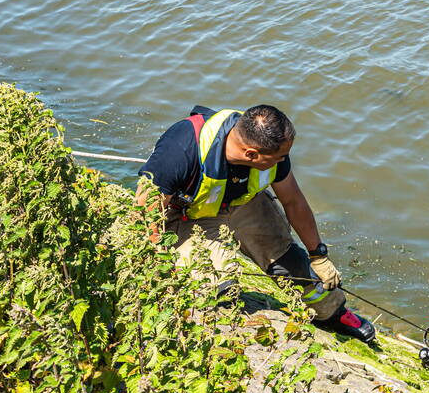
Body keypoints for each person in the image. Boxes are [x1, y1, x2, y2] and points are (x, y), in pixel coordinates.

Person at [136, 104, 376, 343]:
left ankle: (332, 313)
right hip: (189, 215)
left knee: (290, 261)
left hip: (241, 202)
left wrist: (318, 254)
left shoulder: (270, 147)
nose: (284, 160)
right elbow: (146, 214)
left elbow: (293, 201)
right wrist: (161, 263)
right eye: (279, 157)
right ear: (251, 154)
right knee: (216, 287)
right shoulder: (181, 149)